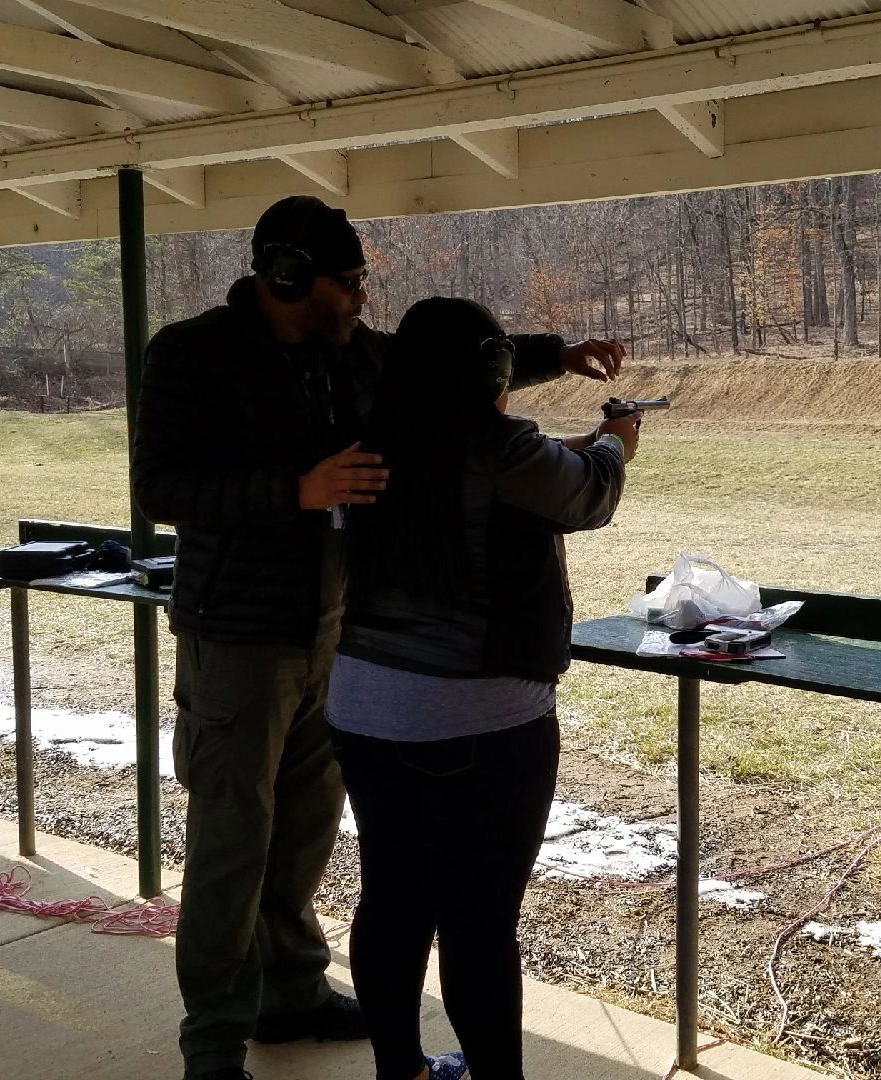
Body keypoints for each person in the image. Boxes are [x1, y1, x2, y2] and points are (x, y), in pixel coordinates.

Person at [131, 197, 625, 1080]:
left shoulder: (352, 351)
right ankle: (212, 1044)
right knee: (231, 843)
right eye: (349, 281)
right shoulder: (190, 353)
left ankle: (291, 992)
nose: (363, 297)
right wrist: (297, 490)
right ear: (287, 276)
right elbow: (160, 487)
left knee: (309, 831)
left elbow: (436, 364)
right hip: (240, 633)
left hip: (338, 631)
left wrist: (556, 354)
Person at [328, 296, 639, 1080]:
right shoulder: (504, 447)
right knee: (478, 920)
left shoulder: (366, 439)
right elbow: (586, 495)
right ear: (494, 373)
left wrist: (574, 442)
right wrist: (614, 445)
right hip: (480, 717)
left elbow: (461, 476)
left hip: (362, 710)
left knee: (393, 898)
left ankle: (398, 1069)